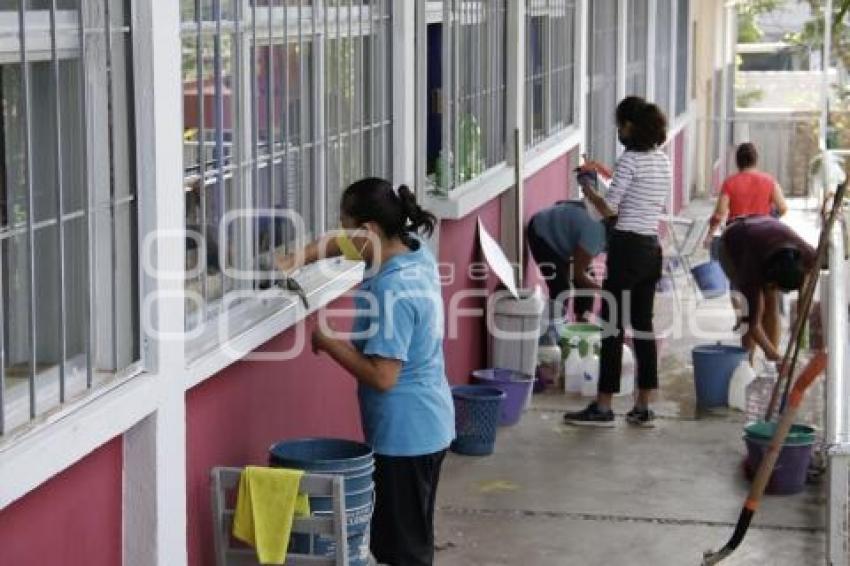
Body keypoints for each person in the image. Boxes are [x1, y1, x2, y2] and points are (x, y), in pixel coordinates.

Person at [276, 178, 454, 565]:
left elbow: (383, 377)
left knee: (402, 550)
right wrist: (297, 258)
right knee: (408, 536)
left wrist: (329, 342)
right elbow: (342, 243)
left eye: (346, 224)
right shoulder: (411, 250)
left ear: (370, 230)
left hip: (406, 436)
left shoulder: (394, 290)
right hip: (429, 423)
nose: (341, 234)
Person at [563, 96, 671, 428]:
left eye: (620, 125)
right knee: (643, 327)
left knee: (611, 326)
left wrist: (588, 190)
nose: (618, 131)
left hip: (626, 249)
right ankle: (643, 405)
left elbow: (609, 208)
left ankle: (604, 405)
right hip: (652, 248)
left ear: (631, 126)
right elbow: (637, 201)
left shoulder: (630, 160)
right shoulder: (662, 160)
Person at [717, 216, 816, 363]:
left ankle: (772, 363)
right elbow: (752, 324)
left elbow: (806, 295)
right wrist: (773, 354)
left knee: (772, 301)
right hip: (733, 242)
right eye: (775, 285)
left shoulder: (807, 255)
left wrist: (802, 322)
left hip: (764, 233)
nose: (775, 289)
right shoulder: (750, 270)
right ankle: (747, 362)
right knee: (754, 309)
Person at [526, 201, 606, 324]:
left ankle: (581, 328)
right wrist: (605, 292)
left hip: (568, 239)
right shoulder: (595, 232)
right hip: (543, 232)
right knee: (561, 288)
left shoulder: (613, 230)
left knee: (587, 284)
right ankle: (552, 333)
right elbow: (576, 273)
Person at [704, 142, 788, 249]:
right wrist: (770, 218)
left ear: (737, 161)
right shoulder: (769, 181)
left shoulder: (729, 183)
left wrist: (710, 235)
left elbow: (719, 214)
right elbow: (783, 208)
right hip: (762, 233)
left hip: (737, 235)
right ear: (755, 160)